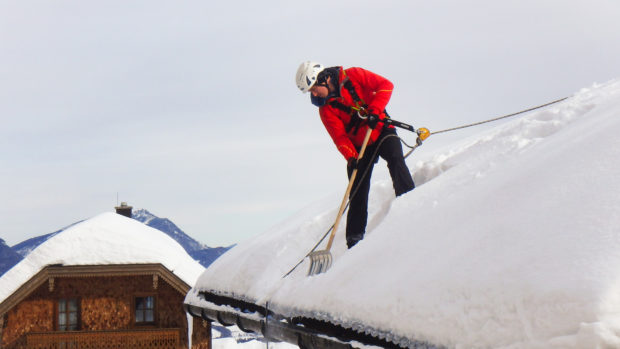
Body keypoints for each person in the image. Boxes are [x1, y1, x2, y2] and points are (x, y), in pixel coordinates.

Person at [295, 61, 415, 248]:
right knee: (357, 186)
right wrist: (351, 157)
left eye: (314, 88)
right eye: (310, 92)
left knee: (395, 158)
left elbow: (385, 86)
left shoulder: (354, 75)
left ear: (324, 79)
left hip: (381, 128)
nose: (314, 94)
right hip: (359, 146)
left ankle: (410, 202)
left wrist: (375, 111)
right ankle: (354, 240)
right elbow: (340, 138)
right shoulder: (325, 110)